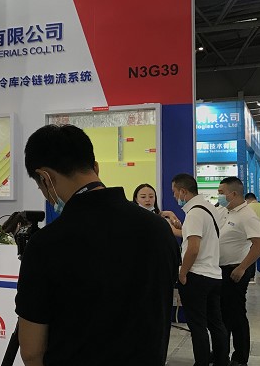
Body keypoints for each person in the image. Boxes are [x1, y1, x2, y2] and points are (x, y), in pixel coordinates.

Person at [16, 125, 179, 366]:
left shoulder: (47, 243)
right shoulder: (160, 229)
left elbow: (32, 351)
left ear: (45, 178)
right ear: (96, 167)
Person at [172, 173, 229, 366]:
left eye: (174, 192)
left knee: (197, 326)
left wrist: (182, 273)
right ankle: (221, 360)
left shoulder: (194, 213)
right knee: (216, 323)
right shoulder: (209, 208)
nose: (174, 197)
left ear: (183, 191)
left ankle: (202, 362)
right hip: (214, 275)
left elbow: (193, 248)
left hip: (197, 276)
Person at [217, 178, 260, 366]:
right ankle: (221, 352)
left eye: (221, 192)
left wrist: (242, 267)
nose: (219, 195)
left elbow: (259, 244)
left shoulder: (247, 215)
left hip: (235, 271)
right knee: (223, 315)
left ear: (233, 194)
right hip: (221, 270)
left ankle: (240, 357)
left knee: (236, 315)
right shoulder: (226, 211)